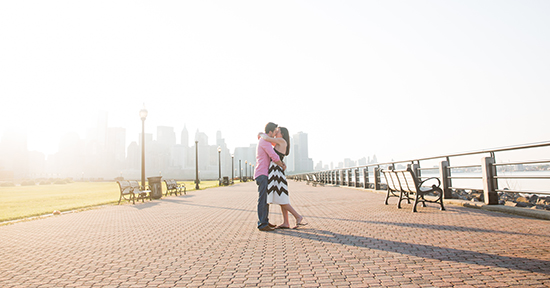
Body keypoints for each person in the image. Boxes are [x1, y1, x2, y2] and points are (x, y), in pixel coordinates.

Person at [259, 127, 307, 229]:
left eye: (278, 132)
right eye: (275, 131)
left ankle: (298, 216)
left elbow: (267, 139)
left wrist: (261, 134)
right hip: (276, 169)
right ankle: (286, 222)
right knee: (281, 196)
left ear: (282, 134)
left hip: (276, 171)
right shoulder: (280, 142)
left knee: (281, 197)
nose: (276, 133)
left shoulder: (281, 140)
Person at [254, 122, 286, 232]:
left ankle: (265, 221)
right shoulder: (265, 141)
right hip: (262, 173)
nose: (275, 134)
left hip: (263, 173)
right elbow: (273, 155)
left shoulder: (265, 140)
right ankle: (262, 224)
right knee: (263, 199)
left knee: (265, 199)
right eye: (275, 132)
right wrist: (282, 165)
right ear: (271, 132)